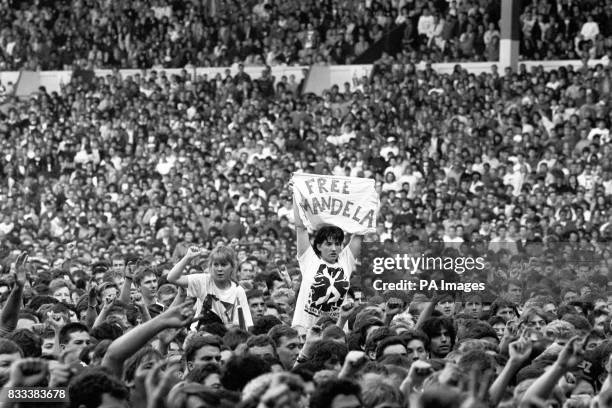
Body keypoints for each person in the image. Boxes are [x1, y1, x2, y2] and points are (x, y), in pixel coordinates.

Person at [291, 194, 363, 330]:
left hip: (336, 333)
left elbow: (360, 231)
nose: (334, 248)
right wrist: (296, 194)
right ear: (318, 246)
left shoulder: (345, 261)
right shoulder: (309, 260)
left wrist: (367, 200)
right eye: (328, 244)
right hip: (305, 332)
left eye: (337, 244)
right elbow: (300, 227)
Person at [167, 246, 253, 329]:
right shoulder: (203, 281)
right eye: (215, 265)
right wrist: (188, 257)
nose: (219, 269)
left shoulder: (238, 291)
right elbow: (172, 278)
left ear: (232, 267)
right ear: (210, 266)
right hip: (198, 335)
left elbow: (246, 324)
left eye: (223, 265)